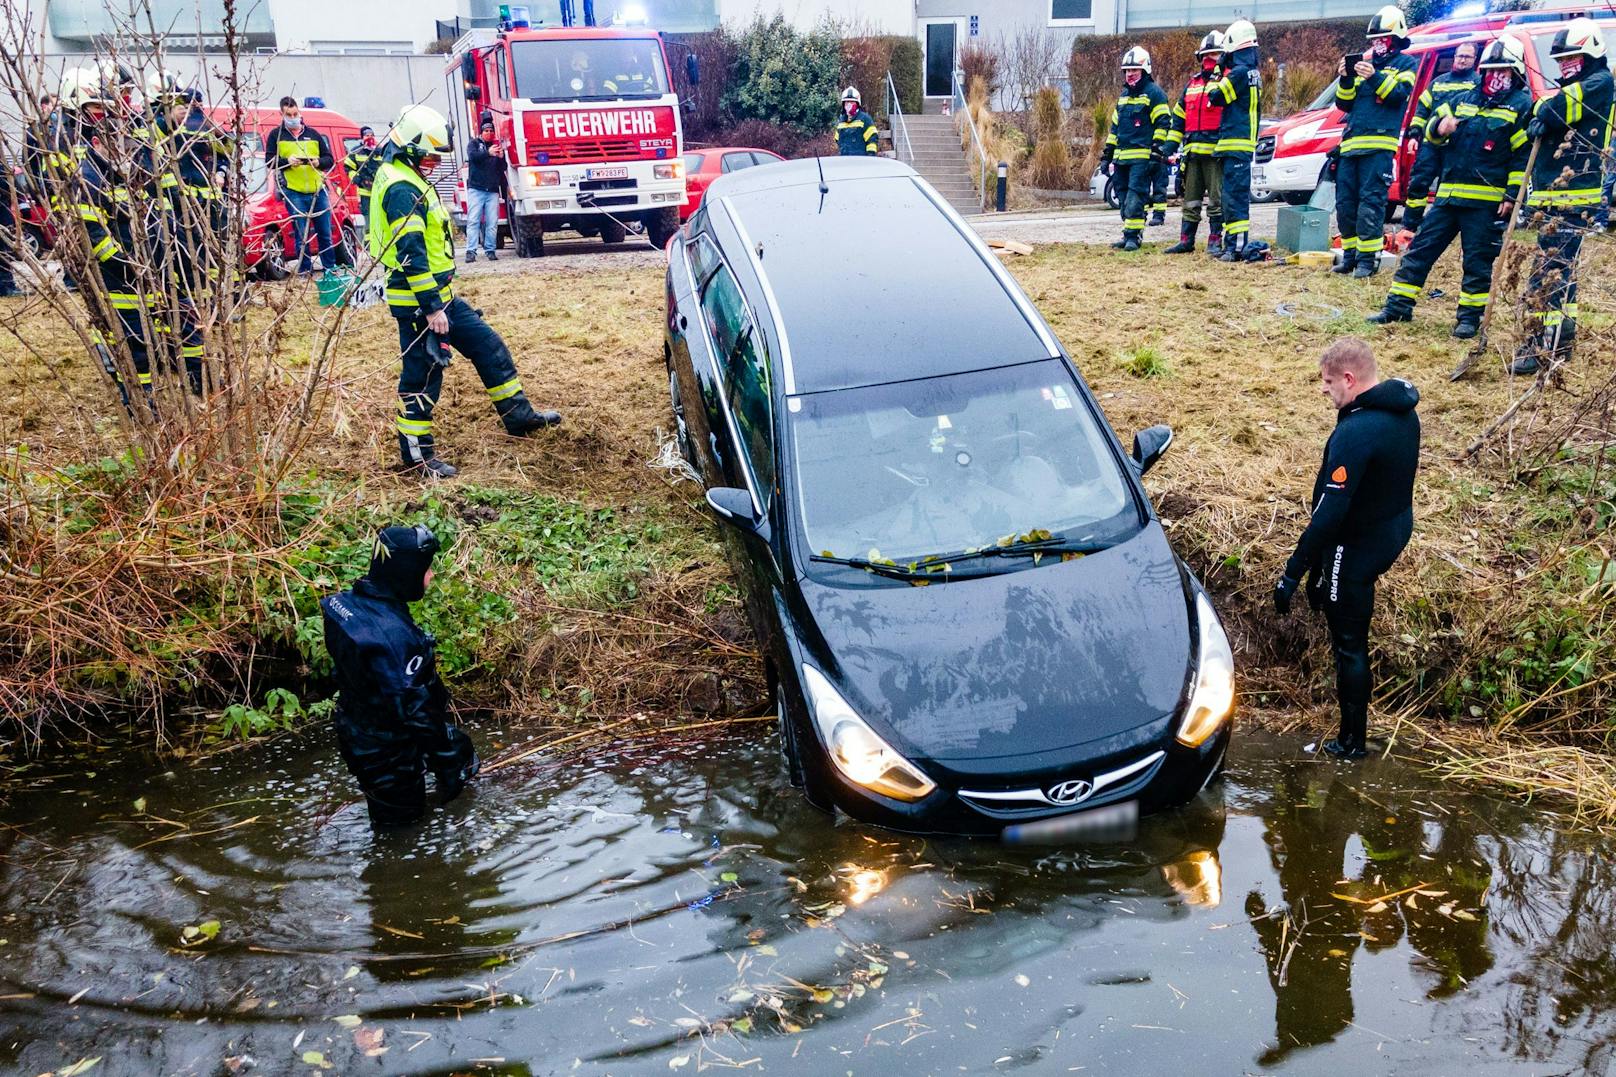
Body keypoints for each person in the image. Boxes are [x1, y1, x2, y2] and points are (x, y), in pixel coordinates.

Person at [368, 104, 561, 479]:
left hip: (440, 297)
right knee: (422, 378)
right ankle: (417, 458)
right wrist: (431, 309)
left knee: (487, 345)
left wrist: (440, 302)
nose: (434, 164)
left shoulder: (405, 177)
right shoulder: (400, 188)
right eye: (429, 157)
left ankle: (519, 417)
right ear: (409, 150)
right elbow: (411, 255)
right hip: (419, 305)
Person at [1274, 339, 1420, 759]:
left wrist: (1295, 571)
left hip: (1356, 547)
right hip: (1390, 527)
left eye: (1328, 381)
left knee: (1349, 643)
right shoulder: (1402, 412)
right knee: (1341, 611)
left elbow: (1328, 515)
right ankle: (1353, 732)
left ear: (1350, 379)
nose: (1324, 390)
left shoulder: (1357, 433)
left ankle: (1352, 741)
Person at [1367, 38, 1531, 339]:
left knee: (1477, 263)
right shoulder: (1465, 98)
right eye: (1492, 70)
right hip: (1448, 197)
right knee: (1420, 252)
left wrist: (1512, 195)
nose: (1497, 77)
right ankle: (1397, 307)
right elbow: (1433, 133)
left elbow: (1522, 156)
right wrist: (1438, 129)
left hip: (1485, 202)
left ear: (1516, 73)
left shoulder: (1521, 106)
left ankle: (1468, 319)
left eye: (1504, 71)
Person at [322, 524, 479, 829]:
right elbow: (415, 711)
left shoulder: (345, 605)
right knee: (400, 832)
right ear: (405, 573)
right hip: (387, 755)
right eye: (426, 569)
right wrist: (451, 763)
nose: (431, 575)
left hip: (360, 731)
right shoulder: (393, 637)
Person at [1513, 17, 1612, 375]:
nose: (1565, 66)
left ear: (1591, 54)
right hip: (1557, 197)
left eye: (1572, 59)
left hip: (1572, 196)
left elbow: (1551, 109)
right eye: (1562, 61)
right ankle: (1561, 337)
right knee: (1561, 271)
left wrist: (1542, 111)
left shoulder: (1599, 82)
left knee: (1548, 272)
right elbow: (1539, 112)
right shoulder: (1585, 82)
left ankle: (1540, 344)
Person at [1333, 7, 1419, 278]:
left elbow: (1398, 96)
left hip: (1379, 146)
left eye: (1383, 38)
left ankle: (1368, 262)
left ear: (1396, 38)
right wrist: (1346, 78)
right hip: (1350, 145)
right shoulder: (1363, 65)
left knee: (1370, 205)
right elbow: (1344, 103)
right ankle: (1349, 257)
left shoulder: (1406, 65)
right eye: (1374, 39)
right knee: (1346, 205)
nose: (1377, 44)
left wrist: (1374, 76)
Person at [1399, 40, 1479, 235]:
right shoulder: (1438, 82)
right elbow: (1422, 109)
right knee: (1418, 183)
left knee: (1446, 188)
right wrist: (1414, 134)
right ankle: (1410, 225)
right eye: (1459, 56)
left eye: (1467, 57)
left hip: (1456, 146)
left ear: (1474, 59)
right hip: (1430, 144)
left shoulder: (1477, 84)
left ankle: (1437, 229)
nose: (1462, 60)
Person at [1101, 46, 1171, 252]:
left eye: (1134, 70)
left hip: (1142, 158)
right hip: (1121, 158)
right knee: (1122, 197)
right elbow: (1115, 128)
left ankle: (1133, 237)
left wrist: (1156, 152)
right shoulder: (1123, 96)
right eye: (1127, 70)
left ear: (1145, 70)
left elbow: (1163, 124)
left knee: (1135, 197)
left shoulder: (1155, 94)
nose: (1130, 74)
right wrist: (1107, 155)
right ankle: (1129, 233)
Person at [1165, 31, 1227, 255]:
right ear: (1200, 58)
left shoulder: (1226, 82)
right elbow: (1178, 119)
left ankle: (1214, 240)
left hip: (1216, 154)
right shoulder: (1192, 84)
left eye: (1216, 55)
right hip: (1192, 154)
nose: (1210, 60)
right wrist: (1168, 148)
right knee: (1190, 201)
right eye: (1207, 56)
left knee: (1216, 202)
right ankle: (1186, 240)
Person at [264, 95, 336, 275]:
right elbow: (270, 162)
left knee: (325, 233)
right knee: (301, 234)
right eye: (289, 115)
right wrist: (287, 161)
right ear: (282, 114)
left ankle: (329, 268)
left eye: (295, 113)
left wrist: (318, 162)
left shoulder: (313, 134)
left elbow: (330, 159)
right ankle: (305, 269)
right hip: (294, 192)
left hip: (317, 190)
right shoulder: (276, 135)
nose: (293, 117)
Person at [1208, 19, 1261, 261]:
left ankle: (1236, 247)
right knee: (1231, 198)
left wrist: (1216, 73)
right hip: (1238, 144)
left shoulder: (1239, 73)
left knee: (1235, 199)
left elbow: (1216, 96)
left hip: (1236, 143)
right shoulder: (1251, 72)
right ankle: (1233, 245)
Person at [464, 119, 505, 263]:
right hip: (476, 189)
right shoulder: (474, 144)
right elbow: (473, 157)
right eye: (486, 131)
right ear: (481, 132)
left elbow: (502, 169)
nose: (489, 133)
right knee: (473, 220)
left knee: (492, 222)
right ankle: (470, 251)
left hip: (492, 190)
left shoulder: (496, 146)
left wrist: (500, 158)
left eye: (491, 131)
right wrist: (488, 153)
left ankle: (490, 250)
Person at [345, 124, 382, 222]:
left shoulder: (380, 151)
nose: (370, 138)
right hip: (365, 193)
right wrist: (359, 180)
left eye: (371, 135)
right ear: (362, 138)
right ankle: (368, 237)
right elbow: (347, 168)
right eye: (367, 136)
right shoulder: (356, 152)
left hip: (380, 191)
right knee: (368, 218)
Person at [835, 87, 879, 156]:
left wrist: (871, 157)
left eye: (852, 102)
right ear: (843, 104)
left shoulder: (865, 119)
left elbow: (872, 140)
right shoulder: (841, 121)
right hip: (844, 161)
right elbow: (837, 140)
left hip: (861, 162)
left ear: (858, 104)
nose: (849, 104)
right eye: (847, 102)